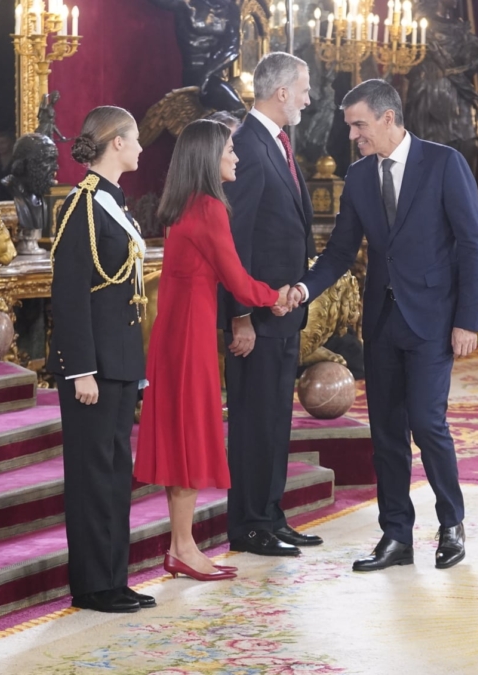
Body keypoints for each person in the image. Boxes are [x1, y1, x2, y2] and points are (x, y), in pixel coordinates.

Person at [292, 79, 478, 572]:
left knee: (427, 421)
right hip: (380, 322)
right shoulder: (359, 177)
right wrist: (303, 290)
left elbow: (472, 244)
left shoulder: (444, 163)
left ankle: (451, 524)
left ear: (387, 118)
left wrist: (468, 319)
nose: (353, 136)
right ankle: (396, 537)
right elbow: (340, 251)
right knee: (387, 434)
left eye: (359, 125)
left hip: (433, 321)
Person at [134, 120, 293, 581]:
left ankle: (181, 545)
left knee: (182, 436)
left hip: (177, 333)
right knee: (188, 438)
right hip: (188, 339)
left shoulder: (185, 203)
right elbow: (236, 278)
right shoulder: (208, 208)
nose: (236, 156)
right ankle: (183, 548)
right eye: (228, 149)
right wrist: (274, 296)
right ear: (208, 157)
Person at [47, 106, 155, 614]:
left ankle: (115, 577)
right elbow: (70, 295)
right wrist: (80, 368)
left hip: (119, 362)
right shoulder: (81, 206)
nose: (139, 148)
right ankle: (93, 585)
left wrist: (132, 368)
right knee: (92, 477)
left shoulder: (114, 203)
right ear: (116, 143)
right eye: (134, 140)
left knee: (115, 475)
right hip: (92, 368)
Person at [221, 52, 318, 559]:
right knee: (255, 421)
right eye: (304, 88)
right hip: (256, 317)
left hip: (283, 312)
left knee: (277, 417)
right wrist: (240, 315)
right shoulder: (247, 146)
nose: (308, 96)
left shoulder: (277, 142)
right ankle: (250, 524)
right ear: (281, 92)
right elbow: (234, 242)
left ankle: (272, 516)